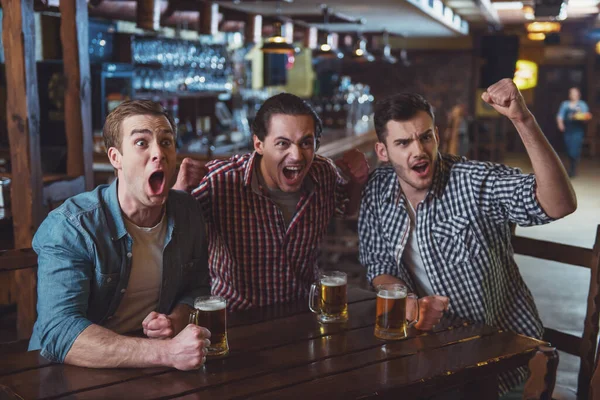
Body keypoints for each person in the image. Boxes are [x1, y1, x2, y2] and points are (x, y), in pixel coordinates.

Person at [358, 79, 576, 395]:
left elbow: (559, 205)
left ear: (437, 135)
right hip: (427, 353)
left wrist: (522, 120)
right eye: (403, 143)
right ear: (383, 151)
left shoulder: (471, 182)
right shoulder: (378, 189)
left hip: (502, 359)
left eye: (425, 137)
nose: (419, 151)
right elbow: (377, 260)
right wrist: (405, 301)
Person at [29, 100, 212, 371]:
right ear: (116, 158)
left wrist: (174, 320)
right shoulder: (71, 226)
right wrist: (167, 352)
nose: (158, 153)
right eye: (141, 143)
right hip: (67, 371)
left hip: (148, 367)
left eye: (166, 142)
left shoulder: (187, 211)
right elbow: (60, 332)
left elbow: (196, 289)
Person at [175, 93, 369, 310]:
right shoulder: (219, 180)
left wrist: (357, 181)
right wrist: (179, 191)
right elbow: (167, 236)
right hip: (237, 317)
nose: (296, 155)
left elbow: (345, 207)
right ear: (258, 144)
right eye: (282, 144)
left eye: (306, 143)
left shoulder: (323, 173)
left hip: (303, 309)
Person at [557, 87, 591, 177]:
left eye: (575, 93)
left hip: (577, 130)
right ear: (569, 95)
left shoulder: (582, 104)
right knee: (568, 148)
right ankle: (571, 164)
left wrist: (583, 117)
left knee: (575, 149)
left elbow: (586, 116)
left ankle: (573, 168)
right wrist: (560, 124)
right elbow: (560, 115)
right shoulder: (565, 104)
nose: (573, 95)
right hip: (568, 129)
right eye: (571, 93)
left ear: (578, 94)